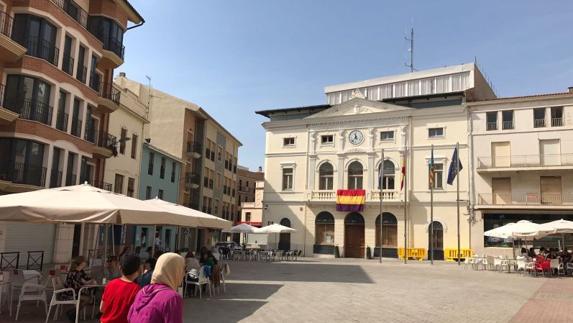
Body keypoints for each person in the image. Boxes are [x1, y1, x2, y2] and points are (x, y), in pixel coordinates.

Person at [128, 253, 185, 323]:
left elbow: (130, 317)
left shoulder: (143, 291)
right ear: (175, 270)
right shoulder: (172, 298)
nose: (183, 274)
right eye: (182, 269)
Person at [100, 255, 142, 323]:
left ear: (120, 268)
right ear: (138, 270)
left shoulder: (110, 284)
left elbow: (102, 308)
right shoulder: (137, 290)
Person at [63, 256, 96, 322]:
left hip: (76, 291)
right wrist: (87, 283)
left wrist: (91, 280)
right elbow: (78, 285)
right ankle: (73, 313)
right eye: (85, 262)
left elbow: (86, 279)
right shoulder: (74, 272)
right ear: (81, 263)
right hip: (70, 292)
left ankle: (73, 313)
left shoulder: (80, 271)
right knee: (88, 299)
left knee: (88, 298)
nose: (86, 263)